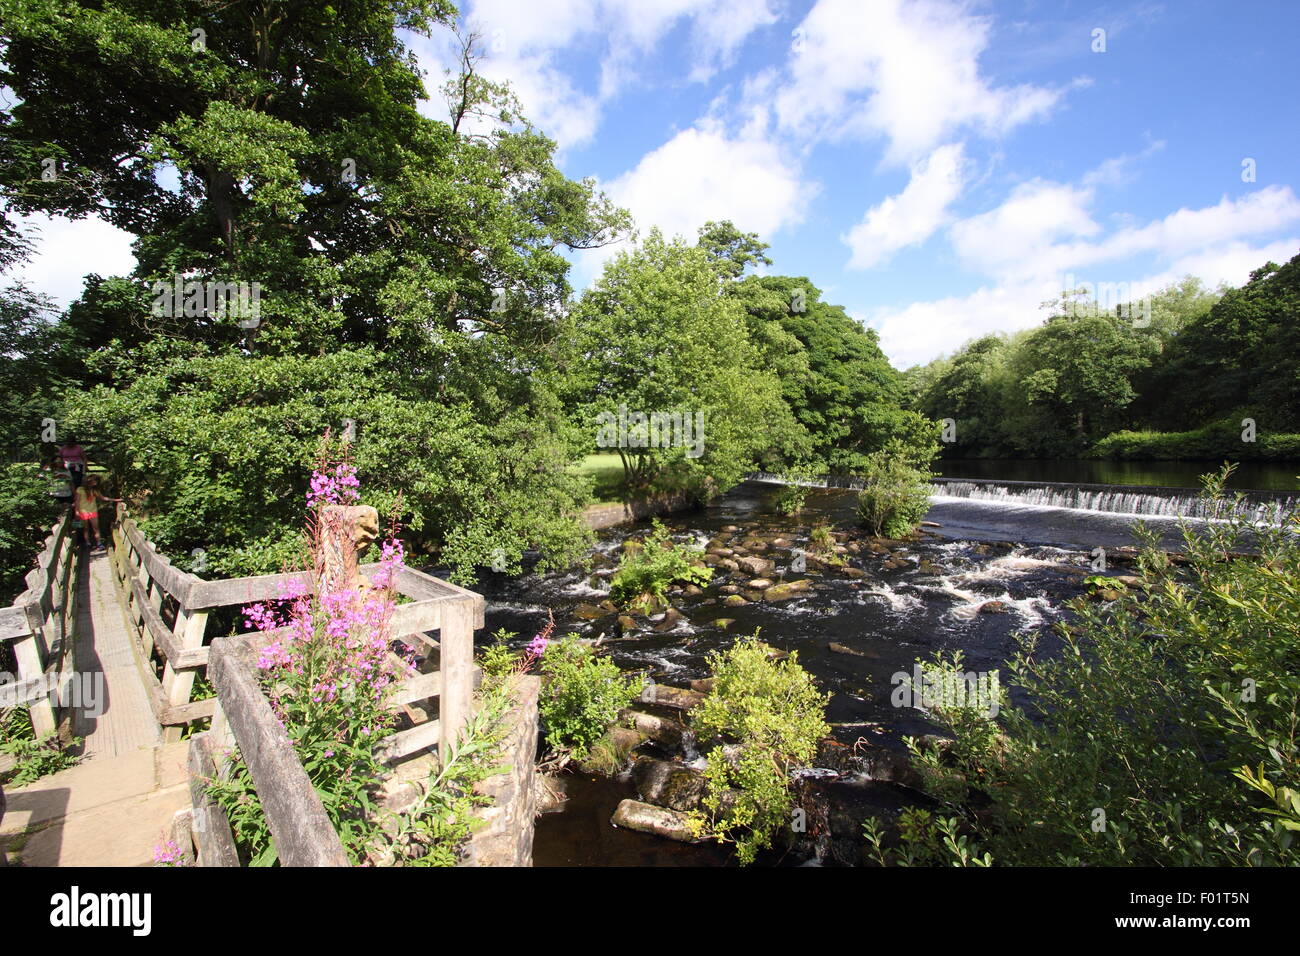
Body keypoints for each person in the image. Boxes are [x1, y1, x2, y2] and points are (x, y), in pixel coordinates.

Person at [73, 476, 120, 550]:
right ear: (90, 480)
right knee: (86, 528)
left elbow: (103, 498)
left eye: (97, 481)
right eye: (95, 481)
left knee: (96, 528)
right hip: (83, 511)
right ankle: (87, 543)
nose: (96, 483)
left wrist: (116, 500)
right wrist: (76, 512)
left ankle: (99, 543)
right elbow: (77, 501)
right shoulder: (80, 489)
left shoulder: (95, 490)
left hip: (93, 511)